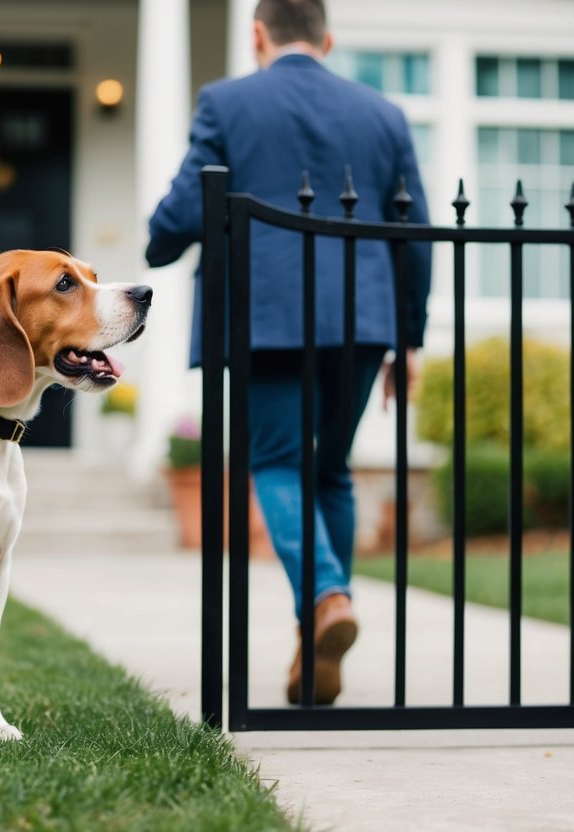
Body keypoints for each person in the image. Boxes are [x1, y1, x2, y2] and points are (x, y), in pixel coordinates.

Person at [145, 0, 431, 705]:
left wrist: (158, 240)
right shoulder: (382, 114)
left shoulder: (227, 102)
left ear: (256, 34)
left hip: (264, 318)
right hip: (362, 320)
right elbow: (415, 231)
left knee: (274, 461)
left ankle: (326, 595)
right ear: (327, 40)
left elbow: (180, 217)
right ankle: (317, 637)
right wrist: (409, 336)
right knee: (330, 469)